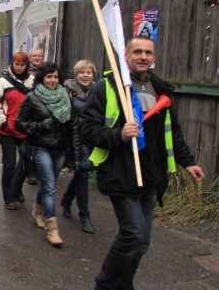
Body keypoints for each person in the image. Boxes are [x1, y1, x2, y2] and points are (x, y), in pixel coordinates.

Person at [80, 36, 205, 288]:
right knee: (134, 234)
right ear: (126, 56)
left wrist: (188, 162)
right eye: (137, 51)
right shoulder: (107, 87)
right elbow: (85, 128)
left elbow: (172, 132)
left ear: (154, 57)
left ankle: (124, 284)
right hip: (121, 173)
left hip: (152, 175)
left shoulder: (161, 89)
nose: (143, 56)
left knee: (142, 242)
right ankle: (104, 285)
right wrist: (119, 134)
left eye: (148, 52)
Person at [15, 62, 80, 247]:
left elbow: (74, 127)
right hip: (40, 147)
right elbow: (19, 123)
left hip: (60, 149)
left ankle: (37, 210)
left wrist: (76, 156)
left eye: (56, 77)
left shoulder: (65, 96)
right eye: (49, 76)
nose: (53, 80)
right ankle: (53, 229)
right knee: (50, 186)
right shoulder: (32, 97)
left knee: (47, 185)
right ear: (42, 78)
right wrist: (37, 126)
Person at [0, 52, 34, 209]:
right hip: (7, 131)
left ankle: (17, 188)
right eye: (17, 64)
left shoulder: (33, 81)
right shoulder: (3, 82)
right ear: (12, 64)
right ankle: (9, 197)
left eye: (22, 64)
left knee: (26, 163)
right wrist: (3, 122)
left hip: (26, 130)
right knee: (9, 164)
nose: (19, 67)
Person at [60, 59, 98, 233]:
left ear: (92, 75)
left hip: (92, 138)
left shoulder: (98, 91)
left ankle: (67, 199)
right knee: (82, 174)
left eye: (88, 72)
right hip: (74, 138)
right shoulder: (68, 91)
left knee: (82, 172)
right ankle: (85, 215)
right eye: (82, 72)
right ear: (76, 75)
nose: (85, 75)